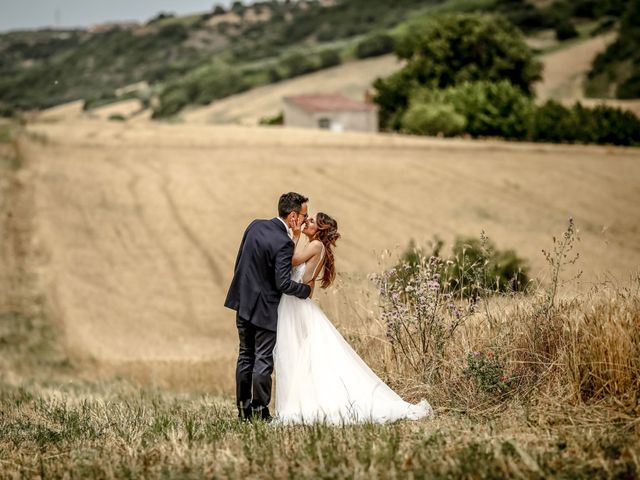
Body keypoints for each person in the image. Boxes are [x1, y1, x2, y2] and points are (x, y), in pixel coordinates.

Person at [274, 212, 432, 424]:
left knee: (303, 354)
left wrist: (293, 234)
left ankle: (306, 404)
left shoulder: (316, 246)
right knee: (301, 355)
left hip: (296, 307)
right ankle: (302, 401)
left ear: (319, 229)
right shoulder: (316, 246)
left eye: (311, 221)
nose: (306, 222)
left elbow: (291, 260)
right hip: (295, 305)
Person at [225, 192, 312, 421]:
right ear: (293, 216)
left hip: (243, 301)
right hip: (265, 307)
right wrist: (305, 291)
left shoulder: (254, 226)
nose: (305, 220)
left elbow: (240, 261)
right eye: (304, 215)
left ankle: (244, 410)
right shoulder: (283, 243)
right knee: (263, 358)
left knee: (245, 355)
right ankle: (260, 410)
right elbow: (282, 283)